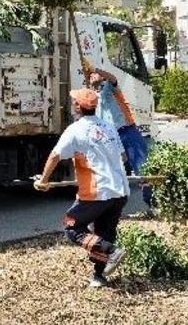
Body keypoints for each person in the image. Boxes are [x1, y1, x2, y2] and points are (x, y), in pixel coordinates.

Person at [34, 88, 128, 287]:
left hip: (97, 191)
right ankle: (99, 276)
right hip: (120, 191)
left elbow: (55, 155)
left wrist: (43, 180)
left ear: (78, 106)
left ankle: (112, 251)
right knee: (102, 234)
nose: (72, 103)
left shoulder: (76, 129)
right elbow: (122, 156)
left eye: (74, 101)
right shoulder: (109, 127)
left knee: (71, 227)